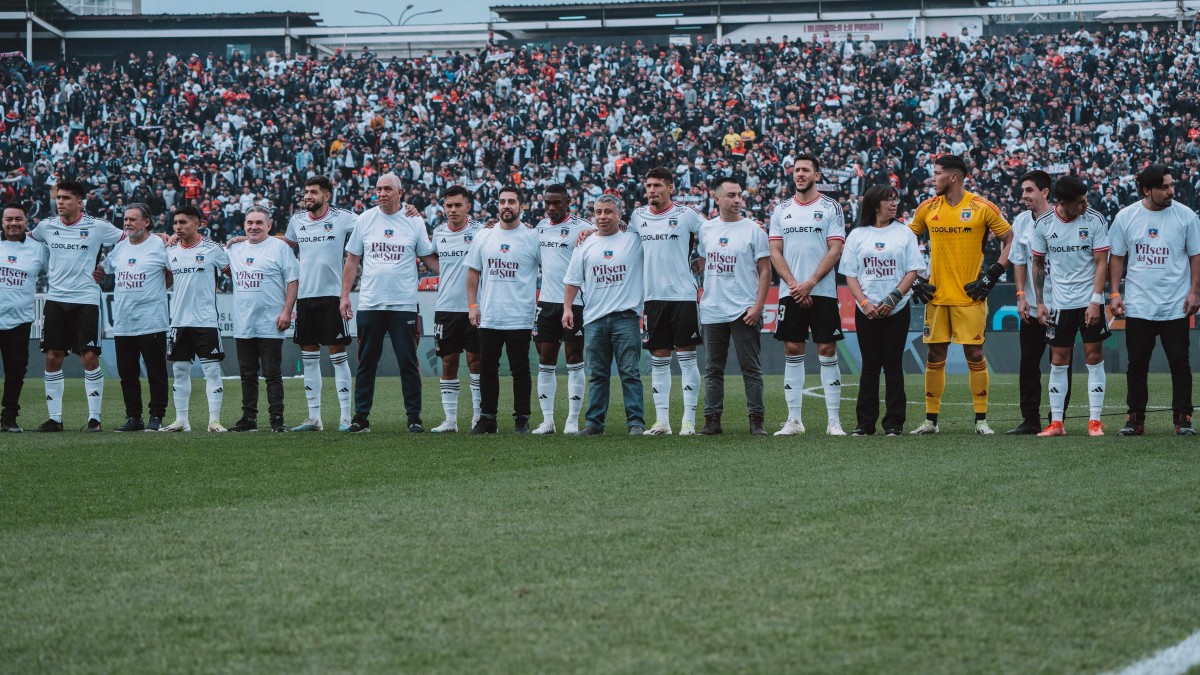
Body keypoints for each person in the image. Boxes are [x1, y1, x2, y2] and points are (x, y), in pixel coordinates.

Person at [907, 155, 1014, 435]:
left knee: (975, 353)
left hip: (970, 296)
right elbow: (903, 242)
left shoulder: (981, 207)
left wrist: (992, 275)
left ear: (953, 177)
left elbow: (1011, 238)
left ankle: (981, 420)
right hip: (936, 296)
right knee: (935, 354)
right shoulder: (928, 208)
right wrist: (916, 280)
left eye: (937, 173)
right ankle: (931, 421)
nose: (933, 178)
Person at [339, 173, 437, 434]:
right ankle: (361, 418)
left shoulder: (414, 220)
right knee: (366, 362)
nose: (381, 193)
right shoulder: (365, 219)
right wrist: (345, 295)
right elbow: (352, 259)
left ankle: (414, 417)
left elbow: (429, 258)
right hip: (370, 304)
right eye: (378, 189)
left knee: (408, 362)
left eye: (387, 189)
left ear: (400, 193)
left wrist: (458, 270)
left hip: (403, 304)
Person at [1108, 164, 1200, 435]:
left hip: (1176, 305)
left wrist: (1195, 291)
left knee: (1180, 363)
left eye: (1171, 185)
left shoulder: (1186, 216)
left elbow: (1196, 256)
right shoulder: (1126, 216)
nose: (1171, 191)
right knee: (1136, 364)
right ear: (1146, 190)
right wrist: (1114, 293)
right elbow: (1117, 257)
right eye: (1164, 187)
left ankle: (1183, 419)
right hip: (1138, 304)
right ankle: (1135, 420)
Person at [28, 180, 126, 432]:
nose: (60, 202)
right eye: (58, 197)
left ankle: (95, 418)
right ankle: (55, 419)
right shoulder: (45, 226)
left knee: (90, 357)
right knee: (52, 357)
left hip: (86, 300)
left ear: (79, 202)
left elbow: (129, 241)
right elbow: (23, 240)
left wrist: (106, 266)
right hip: (56, 300)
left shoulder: (97, 227)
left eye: (66, 198)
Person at [767, 154, 847, 436]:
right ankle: (794, 420)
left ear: (817, 175)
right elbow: (775, 250)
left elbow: (835, 249)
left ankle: (833, 421)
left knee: (826, 349)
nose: (800, 174)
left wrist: (810, 282)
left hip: (822, 290)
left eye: (806, 170)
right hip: (791, 291)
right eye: (796, 170)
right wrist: (793, 284)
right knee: (792, 349)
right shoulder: (780, 210)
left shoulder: (830, 207)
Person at [1030, 176, 1111, 437]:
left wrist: (1096, 301)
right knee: (1058, 361)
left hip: (1089, 302)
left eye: (1086, 199)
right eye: (1080, 202)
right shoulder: (1043, 224)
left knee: (1094, 358)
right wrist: (1040, 302)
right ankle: (1056, 424)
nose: (1085, 204)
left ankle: (1094, 422)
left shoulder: (1094, 219)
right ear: (1063, 203)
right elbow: (1038, 264)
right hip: (1060, 304)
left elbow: (1101, 263)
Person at [841, 186, 923, 436]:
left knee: (894, 365)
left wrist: (893, 298)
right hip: (866, 310)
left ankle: (894, 424)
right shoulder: (857, 235)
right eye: (888, 199)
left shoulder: (905, 233)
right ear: (875, 204)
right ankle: (865, 424)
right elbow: (850, 274)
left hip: (897, 309)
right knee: (869, 366)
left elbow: (913, 270)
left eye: (895, 199)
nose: (894, 203)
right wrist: (864, 303)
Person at [629, 167, 705, 436]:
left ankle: (688, 420)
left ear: (670, 188)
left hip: (683, 296)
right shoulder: (637, 217)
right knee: (658, 359)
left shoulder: (686, 215)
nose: (652, 190)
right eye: (648, 186)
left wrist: (698, 267)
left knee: (686, 358)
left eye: (658, 186)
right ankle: (662, 421)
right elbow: (622, 241)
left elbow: (710, 239)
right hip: (652, 298)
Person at [282, 176, 359, 432]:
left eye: (313, 192)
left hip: (332, 297)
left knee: (338, 357)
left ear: (326, 196)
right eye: (306, 192)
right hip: (305, 298)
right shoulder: (297, 221)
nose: (307, 196)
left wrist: (408, 210)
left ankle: (346, 417)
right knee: (310, 359)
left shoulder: (343, 218)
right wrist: (249, 240)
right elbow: (285, 245)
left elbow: (372, 225)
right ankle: (314, 418)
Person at [563, 194, 645, 435]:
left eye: (608, 212)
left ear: (619, 215)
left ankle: (636, 423)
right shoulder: (585, 244)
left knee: (630, 373)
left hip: (626, 318)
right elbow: (572, 280)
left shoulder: (633, 240)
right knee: (597, 375)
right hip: (594, 319)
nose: (602, 217)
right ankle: (594, 423)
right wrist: (567, 308)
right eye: (598, 212)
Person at [696, 177, 771, 436]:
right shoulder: (707, 229)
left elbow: (765, 271)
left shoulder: (754, 230)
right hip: (713, 309)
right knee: (712, 369)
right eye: (731, 195)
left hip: (744, 310)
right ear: (716, 198)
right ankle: (712, 420)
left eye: (739, 195)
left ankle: (756, 420)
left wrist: (758, 306)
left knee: (751, 369)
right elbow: (703, 264)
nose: (738, 200)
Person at [465, 185, 539, 434]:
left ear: (521, 206)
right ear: (497, 205)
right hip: (489, 315)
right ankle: (488, 418)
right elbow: (473, 272)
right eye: (502, 201)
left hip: (519, 316)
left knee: (520, 370)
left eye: (512, 202)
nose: (506, 206)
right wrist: (473, 306)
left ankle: (522, 418)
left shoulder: (532, 237)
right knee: (487, 368)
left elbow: (549, 269)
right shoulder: (484, 236)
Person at [1007, 170, 1072, 434]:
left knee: (1061, 361)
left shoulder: (1064, 219)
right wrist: (1021, 296)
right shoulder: (1021, 221)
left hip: (1061, 306)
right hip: (1032, 309)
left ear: (1045, 192)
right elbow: (1019, 261)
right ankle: (1030, 419)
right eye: (1023, 191)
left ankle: (1057, 417)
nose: (1024, 196)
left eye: (1030, 190)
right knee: (1029, 364)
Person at [227, 206, 299, 433]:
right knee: (247, 375)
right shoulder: (234, 249)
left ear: (269, 225)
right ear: (244, 225)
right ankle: (248, 419)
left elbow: (293, 280)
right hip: (243, 323)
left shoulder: (279, 247)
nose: (254, 226)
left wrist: (287, 311)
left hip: (271, 322)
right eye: (249, 223)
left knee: (272, 374)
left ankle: (277, 419)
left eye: (259, 222)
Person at [100, 203, 172, 432]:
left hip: (152, 320)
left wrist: (157, 290)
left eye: (132, 219)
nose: (128, 223)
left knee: (156, 372)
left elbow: (171, 275)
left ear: (147, 222)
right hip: (123, 321)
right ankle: (134, 417)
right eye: (126, 220)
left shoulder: (160, 245)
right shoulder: (120, 247)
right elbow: (104, 269)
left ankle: (156, 416)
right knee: (128, 374)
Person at [162, 205, 231, 432]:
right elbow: (166, 280)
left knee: (211, 371)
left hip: (206, 321)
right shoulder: (170, 251)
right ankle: (182, 420)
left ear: (197, 223)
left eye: (183, 222)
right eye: (175, 223)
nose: (178, 227)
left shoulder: (212, 249)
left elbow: (234, 273)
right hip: (179, 321)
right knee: (180, 371)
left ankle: (214, 421)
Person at [531, 184, 591, 435]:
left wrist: (594, 233)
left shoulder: (584, 228)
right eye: (548, 203)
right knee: (545, 361)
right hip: (546, 303)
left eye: (557, 203)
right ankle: (548, 421)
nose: (552, 208)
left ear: (569, 200)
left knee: (574, 361)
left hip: (574, 303)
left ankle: (572, 420)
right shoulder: (540, 228)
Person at [430, 185, 483, 433]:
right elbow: (430, 259)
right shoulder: (438, 233)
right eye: (448, 206)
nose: (452, 210)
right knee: (448, 363)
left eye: (458, 205)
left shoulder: (481, 232)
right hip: (445, 308)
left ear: (468, 207)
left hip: (474, 308)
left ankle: (478, 417)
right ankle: (450, 420)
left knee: (476, 363)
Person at [0, 204, 47, 432]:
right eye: (9, 219)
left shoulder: (38, 249)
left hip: (19, 320)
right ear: (2, 221)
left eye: (19, 219)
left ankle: (9, 416)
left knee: (16, 370)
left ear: (27, 222)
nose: (14, 223)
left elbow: (61, 267)